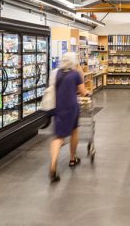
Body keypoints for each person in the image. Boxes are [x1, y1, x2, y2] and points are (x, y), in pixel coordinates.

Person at [49, 52, 90, 182]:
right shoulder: (75, 74)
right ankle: (73, 158)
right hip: (71, 107)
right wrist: (87, 92)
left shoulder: (56, 73)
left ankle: (53, 163)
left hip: (58, 107)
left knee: (58, 137)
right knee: (74, 131)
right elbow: (83, 92)